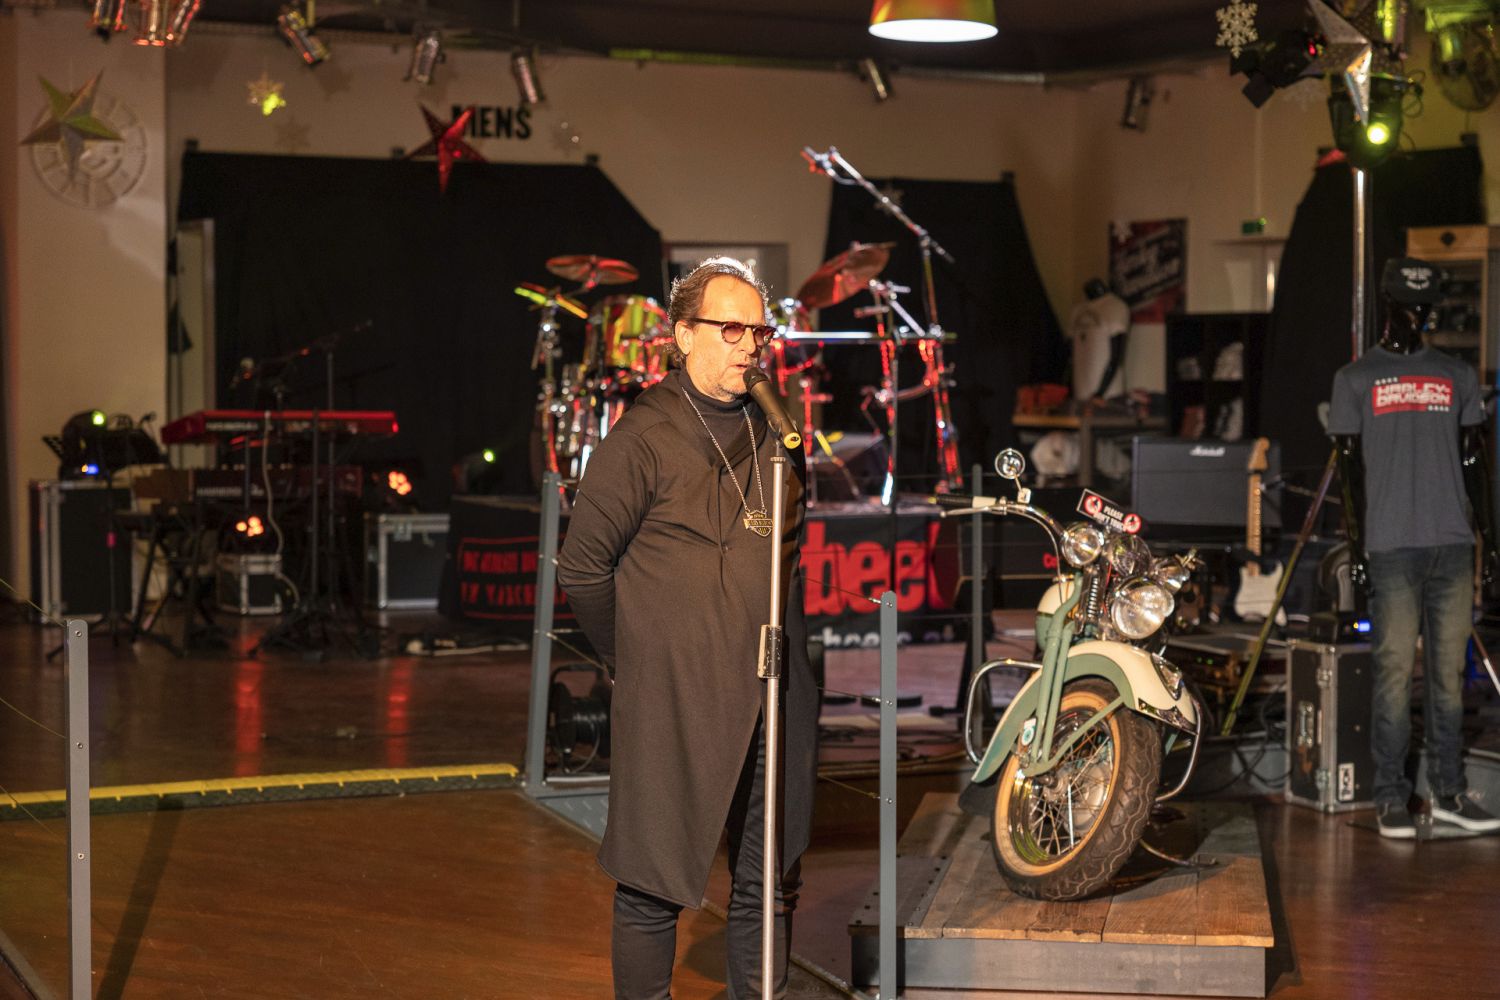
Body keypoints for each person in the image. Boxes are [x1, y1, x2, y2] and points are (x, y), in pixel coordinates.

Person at [556, 257, 817, 999]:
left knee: (770, 879)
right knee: (653, 881)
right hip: (676, 691)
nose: (748, 345)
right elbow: (582, 569)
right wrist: (635, 656)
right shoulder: (643, 436)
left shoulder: (777, 432)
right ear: (682, 335)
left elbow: (789, 554)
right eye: (730, 328)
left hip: (773, 692)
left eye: (758, 331)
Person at [1329, 256, 1500, 839]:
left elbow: (1476, 462)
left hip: (1452, 545)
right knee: (1395, 675)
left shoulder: (1457, 374)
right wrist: (1357, 547)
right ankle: (1390, 796)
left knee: (1451, 677)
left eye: (1425, 308)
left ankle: (1448, 791)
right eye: (1409, 307)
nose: (1418, 316)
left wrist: (1489, 542)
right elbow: (1349, 475)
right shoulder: (1355, 379)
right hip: (1391, 548)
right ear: (1388, 306)